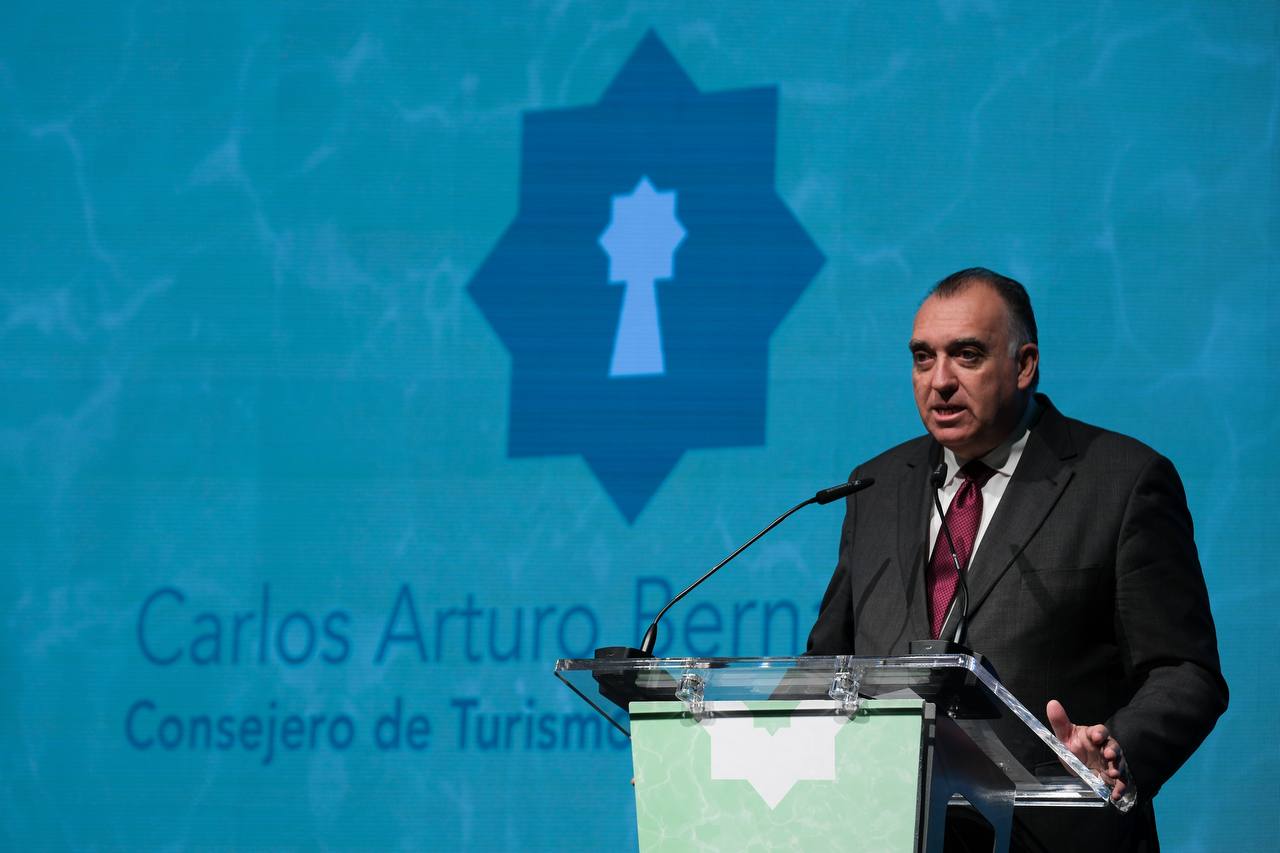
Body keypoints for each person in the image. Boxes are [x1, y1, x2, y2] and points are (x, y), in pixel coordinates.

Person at [806, 268, 1227, 851]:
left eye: (967, 355)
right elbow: (825, 666)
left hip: (1055, 837)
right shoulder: (875, 487)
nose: (940, 381)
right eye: (923, 358)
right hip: (890, 829)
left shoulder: (1121, 481)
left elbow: (1184, 672)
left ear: (1024, 364)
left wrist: (1114, 750)